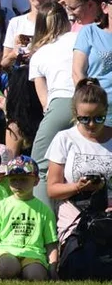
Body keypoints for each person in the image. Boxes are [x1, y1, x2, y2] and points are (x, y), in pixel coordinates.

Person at [46, 79, 112, 240]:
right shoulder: (64, 138)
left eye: (98, 119)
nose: (91, 124)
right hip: (74, 212)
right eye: (84, 119)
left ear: (107, 112)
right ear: (75, 114)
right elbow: (52, 189)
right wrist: (77, 186)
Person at [27, 3, 76, 204]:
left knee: (40, 165)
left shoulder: (38, 54)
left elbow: (45, 103)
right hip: (92, 100)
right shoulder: (79, 38)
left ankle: (45, 225)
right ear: (66, 20)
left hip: (61, 105)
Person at [0, 155, 58, 281]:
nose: (18, 184)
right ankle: (1, 271)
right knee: (7, 268)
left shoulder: (44, 210)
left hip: (34, 254)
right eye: (13, 179)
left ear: (36, 181)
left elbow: (51, 243)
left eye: (23, 179)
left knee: (37, 276)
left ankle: (26, 270)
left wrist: (53, 268)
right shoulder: (1, 206)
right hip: (7, 252)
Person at [2, 0, 55, 70]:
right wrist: (14, 54)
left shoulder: (57, 22)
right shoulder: (16, 22)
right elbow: (4, 63)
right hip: (21, 80)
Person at [73, 0, 112, 103]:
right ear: (104, 7)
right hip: (96, 108)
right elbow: (77, 71)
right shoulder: (89, 32)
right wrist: (87, 101)